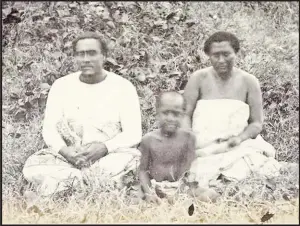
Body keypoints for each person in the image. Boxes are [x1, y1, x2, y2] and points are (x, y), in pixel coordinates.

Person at [22, 32, 142, 197]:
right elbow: (49, 130)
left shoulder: (123, 87)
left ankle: (66, 187)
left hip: (109, 156)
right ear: (75, 57)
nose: (86, 59)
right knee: (33, 165)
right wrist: (66, 151)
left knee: (135, 161)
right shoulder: (61, 86)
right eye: (81, 54)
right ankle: (94, 185)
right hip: (70, 157)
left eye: (92, 53)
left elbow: (134, 134)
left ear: (104, 56)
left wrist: (104, 148)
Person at [182, 31, 281, 187]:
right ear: (208, 55)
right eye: (216, 55)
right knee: (192, 172)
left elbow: (256, 123)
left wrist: (239, 138)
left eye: (227, 54)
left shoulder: (249, 81)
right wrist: (189, 138)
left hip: (236, 145)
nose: (222, 60)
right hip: (202, 145)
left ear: (236, 53)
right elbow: (185, 115)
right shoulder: (198, 78)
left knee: (249, 166)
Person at [138, 91, 219, 204]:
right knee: (136, 198)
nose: (170, 118)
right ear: (157, 114)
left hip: (182, 189)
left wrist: (183, 190)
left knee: (211, 194)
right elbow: (143, 170)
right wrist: (149, 193)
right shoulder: (148, 140)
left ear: (182, 115)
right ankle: (167, 203)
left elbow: (190, 171)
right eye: (165, 113)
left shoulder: (189, 138)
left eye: (176, 114)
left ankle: (182, 203)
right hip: (156, 187)